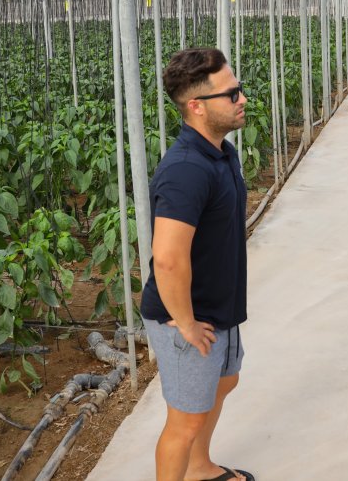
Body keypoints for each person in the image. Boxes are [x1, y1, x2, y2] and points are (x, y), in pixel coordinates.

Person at [140, 47, 255, 481]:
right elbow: (168, 259)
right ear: (196, 106)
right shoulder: (186, 169)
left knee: (224, 383)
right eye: (232, 93)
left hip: (218, 305)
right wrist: (185, 323)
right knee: (184, 421)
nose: (242, 98)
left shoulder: (221, 152)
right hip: (191, 315)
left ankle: (200, 468)